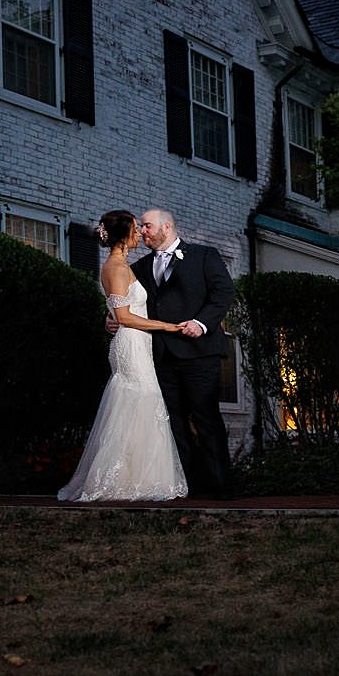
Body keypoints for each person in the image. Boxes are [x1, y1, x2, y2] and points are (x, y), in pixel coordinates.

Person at [57, 210, 190, 502]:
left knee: (142, 403)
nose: (140, 233)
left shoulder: (123, 265)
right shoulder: (115, 268)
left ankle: (137, 479)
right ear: (123, 235)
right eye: (135, 228)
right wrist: (166, 326)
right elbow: (125, 317)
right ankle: (120, 481)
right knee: (140, 400)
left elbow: (118, 310)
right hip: (130, 342)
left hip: (139, 342)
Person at [131, 208, 236, 498]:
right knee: (172, 421)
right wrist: (112, 319)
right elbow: (129, 305)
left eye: (147, 226)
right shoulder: (139, 267)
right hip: (162, 355)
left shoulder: (204, 255)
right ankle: (186, 486)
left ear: (166, 227)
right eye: (141, 227)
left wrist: (201, 323)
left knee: (206, 417)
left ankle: (220, 487)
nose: (143, 232)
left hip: (200, 353)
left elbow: (224, 292)